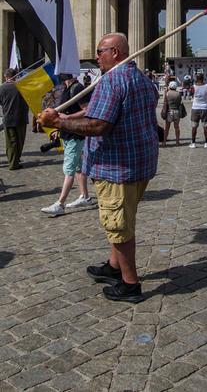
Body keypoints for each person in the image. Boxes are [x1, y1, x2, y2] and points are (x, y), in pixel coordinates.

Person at [39, 33, 158, 303]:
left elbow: (98, 125)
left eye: (100, 51)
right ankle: (114, 267)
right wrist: (68, 115)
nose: (96, 56)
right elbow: (97, 109)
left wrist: (58, 124)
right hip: (139, 163)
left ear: (115, 52)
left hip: (117, 166)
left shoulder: (112, 80)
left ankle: (130, 284)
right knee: (123, 218)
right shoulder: (141, 78)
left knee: (118, 226)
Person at [41, 74, 93, 216]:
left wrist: (68, 118)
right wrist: (57, 129)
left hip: (75, 134)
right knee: (77, 167)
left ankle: (60, 204)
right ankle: (85, 196)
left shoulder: (77, 88)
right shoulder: (66, 88)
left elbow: (87, 110)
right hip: (68, 133)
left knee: (68, 169)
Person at [0, 68, 28, 170]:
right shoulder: (22, 87)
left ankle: (13, 162)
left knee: (11, 142)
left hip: (8, 118)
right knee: (20, 141)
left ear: (5, 76)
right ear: (15, 76)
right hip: (21, 118)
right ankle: (15, 161)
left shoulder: (2, 88)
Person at [189, 73, 207, 148]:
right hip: (204, 107)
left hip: (195, 107)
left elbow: (191, 94)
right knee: (205, 126)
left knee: (194, 126)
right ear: (203, 78)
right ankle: (206, 143)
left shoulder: (193, 87)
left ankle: (193, 143)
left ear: (196, 78)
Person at [162, 80, 183, 146]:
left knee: (167, 128)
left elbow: (165, 102)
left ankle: (164, 142)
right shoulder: (178, 94)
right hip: (176, 111)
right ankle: (177, 142)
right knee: (177, 127)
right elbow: (179, 103)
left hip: (169, 112)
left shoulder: (167, 93)